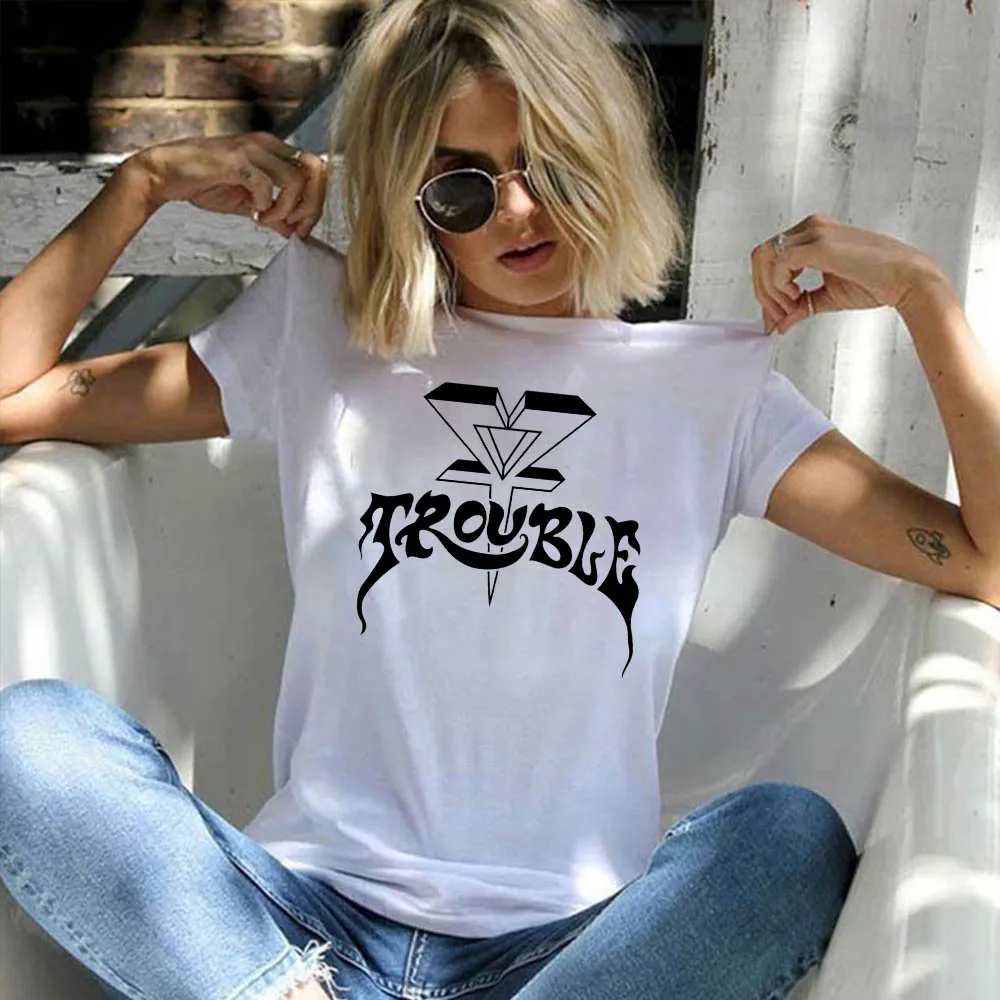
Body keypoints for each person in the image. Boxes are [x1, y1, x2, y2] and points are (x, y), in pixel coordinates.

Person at [0, 1, 859, 998]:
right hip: (293, 929)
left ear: (602, 153)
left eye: (549, 164)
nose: (518, 212)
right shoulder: (319, 330)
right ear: (413, 202)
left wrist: (923, 298)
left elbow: (984, 557)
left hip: (562, 958)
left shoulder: (710, 391)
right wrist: (144, 185)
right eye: (460, 186)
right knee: (31, 739)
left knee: (787, 838)